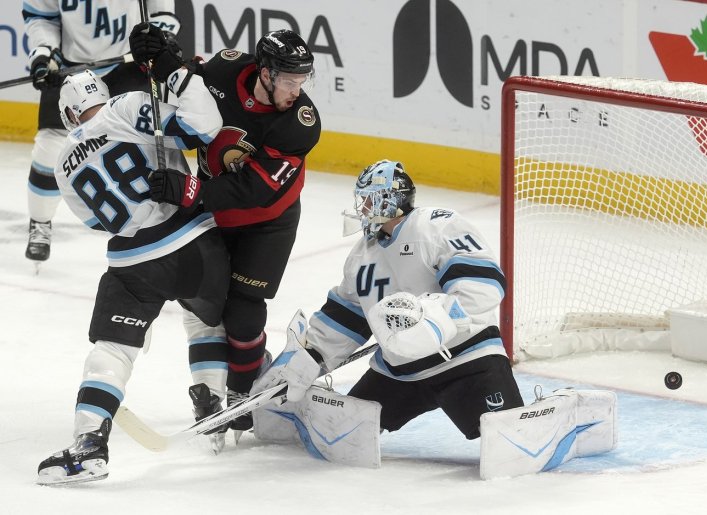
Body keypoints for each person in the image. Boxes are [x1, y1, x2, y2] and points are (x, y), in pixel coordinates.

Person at [37, 46, 229, 485]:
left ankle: (89, 443)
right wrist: (180, 79)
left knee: (113, 350)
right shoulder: (126, 106)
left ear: (69, 114)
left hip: (135, 262)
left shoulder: (63, 164)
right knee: (206, 323)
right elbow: (204, 126)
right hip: (195, 242)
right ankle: (212, 405)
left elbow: (95, 221)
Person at [143, 29, 321, 435]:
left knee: (242, 312)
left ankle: (242, 396)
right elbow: (183, 86)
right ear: (265, 73)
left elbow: (255, 189)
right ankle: (218, 384)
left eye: (302, 81)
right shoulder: (225, 69)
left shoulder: (299, 123)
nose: (297, 91)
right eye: (289, 81)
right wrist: (160, 58)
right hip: (212, 214)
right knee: (203, 302)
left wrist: (191, 191)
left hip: (268, 222)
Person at [295, 159, 525, 441]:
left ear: (391, 200)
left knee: (509, 438)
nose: (362, 208)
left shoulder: (436, 226)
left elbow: (483, 284)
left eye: (369, 199)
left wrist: (437, 322)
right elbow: (346, 317)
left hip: (465, 361)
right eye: (361, 200)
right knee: (340, 433)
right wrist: (310, 357)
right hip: (400, 372)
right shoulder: (362, 255)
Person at [21, 0, 179, 264]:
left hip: (128, 62)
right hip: (72, 68)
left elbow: (161, 9)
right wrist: (45, 53)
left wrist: (160, 38)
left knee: (149, 142)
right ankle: (40, 221)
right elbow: (41, 17)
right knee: (50, 147)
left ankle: (167, 221)